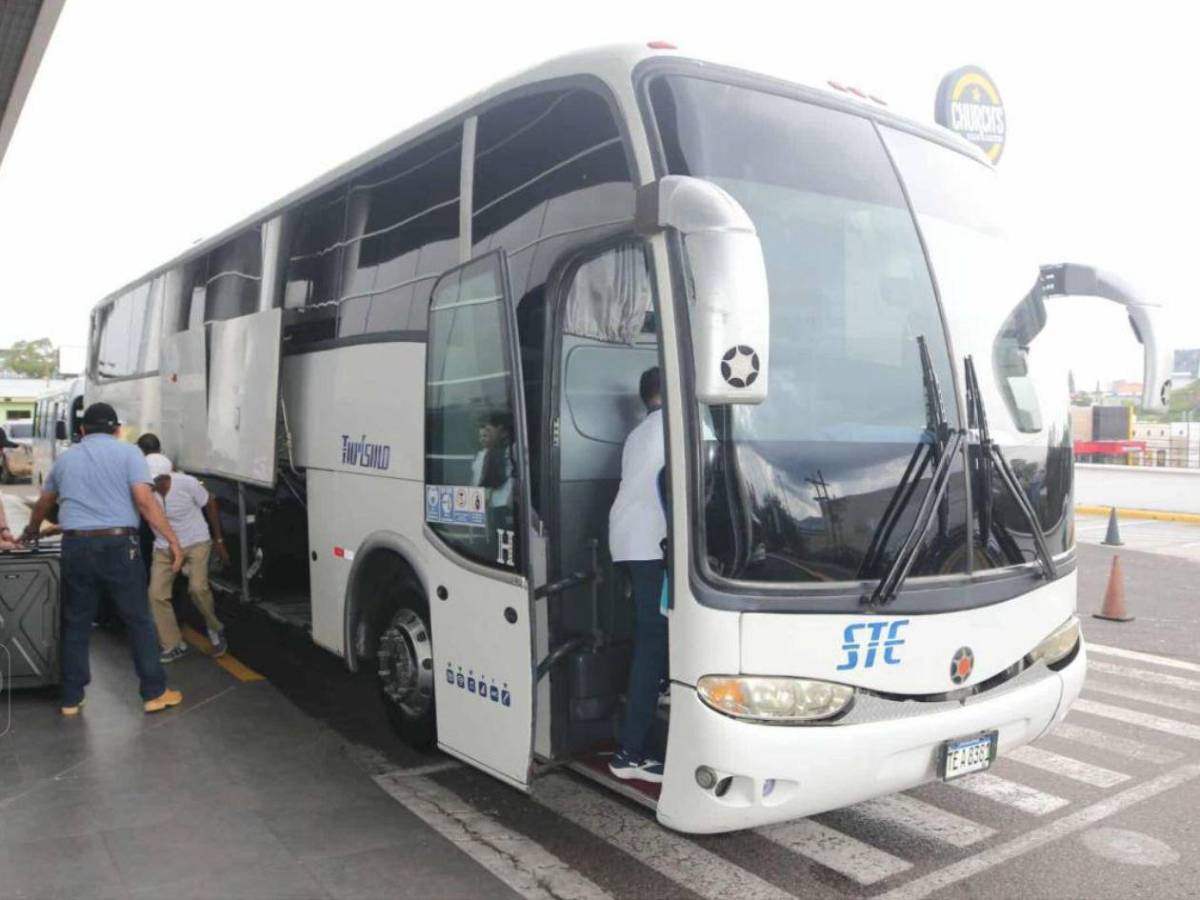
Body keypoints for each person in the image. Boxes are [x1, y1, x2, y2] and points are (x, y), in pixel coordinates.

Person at [21, 402, 185, 716]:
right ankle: (154, 692)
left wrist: (31, 530)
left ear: (82, 430)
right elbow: (145, 502)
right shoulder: (129, 454)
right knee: (138, 620)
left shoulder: (66, 460)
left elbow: (43, 503)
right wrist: (172, 540)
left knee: (77, 621)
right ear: (117, 429)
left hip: (76, 547)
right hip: (118, 545)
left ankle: (71, 698)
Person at [607, 367, 669, 783]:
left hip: (629, 542)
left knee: (653, 638)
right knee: (653, 641)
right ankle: (630, 754)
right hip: (651, 546)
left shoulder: (639, 432)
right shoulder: (677, 427)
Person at [145, 453, 230, 661]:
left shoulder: (187, 484)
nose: (154, 484)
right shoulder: (143, 490)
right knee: (156, 595)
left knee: (197, 588)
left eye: (158, 479)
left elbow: (210, 503)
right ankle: (173, 644)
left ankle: (214, 628)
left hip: (196, 543)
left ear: (168, 476)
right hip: (165, 548)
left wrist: (219, 541)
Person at [135, 433, 162, 577]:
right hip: (167, 516)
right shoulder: (168, 463)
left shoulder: (140, 464)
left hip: (147, 518)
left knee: (146, 553)